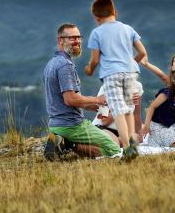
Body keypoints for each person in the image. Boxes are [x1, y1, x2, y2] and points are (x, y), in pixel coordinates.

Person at [43, 23, 121, 160]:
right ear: (60, 40)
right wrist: (98, 99)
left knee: (102, 148)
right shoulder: (65, 65)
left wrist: (96, 107)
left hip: (56, 125)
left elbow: (72, 100)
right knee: (114, 150)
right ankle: (68, 144)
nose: (77, 41)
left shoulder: (52, 63)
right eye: (72, 38)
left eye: (79, 37)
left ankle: (65, 142)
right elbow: (70, 99)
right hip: (72, 125)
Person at [84, 0, 147, 161]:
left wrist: (89, 69)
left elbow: (96, 59)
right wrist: (129, 65)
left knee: (118, 111)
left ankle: (127, 149)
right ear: (115, 12)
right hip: (131, 72)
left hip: (112, 74)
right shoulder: (128, 29)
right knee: (128, 110)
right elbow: (142, 53)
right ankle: (132, 145)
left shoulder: (96, 33)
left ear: (97, 18)